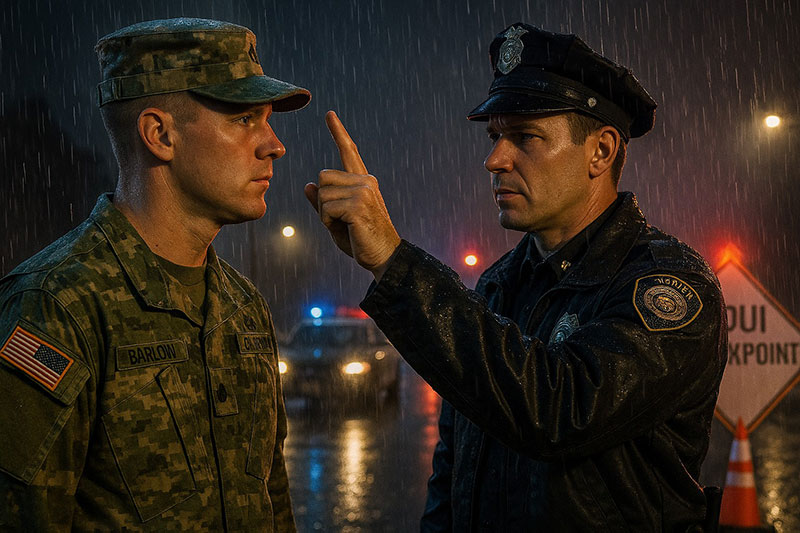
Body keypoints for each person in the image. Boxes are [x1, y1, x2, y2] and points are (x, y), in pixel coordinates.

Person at [306, 23, 727, 531]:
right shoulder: (500, 283)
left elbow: (559, 411)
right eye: (495, 136)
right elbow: (454, 470)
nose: (494, 159)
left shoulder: (667, 286)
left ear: (601, 151)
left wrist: (395, 264)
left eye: (525, 136)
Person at [0, 18, 309, 531]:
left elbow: (273, 503)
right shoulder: (57, 306)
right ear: (160, 134)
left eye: (267, 120)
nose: (273, 145)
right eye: (243, 119)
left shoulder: (243, 306)